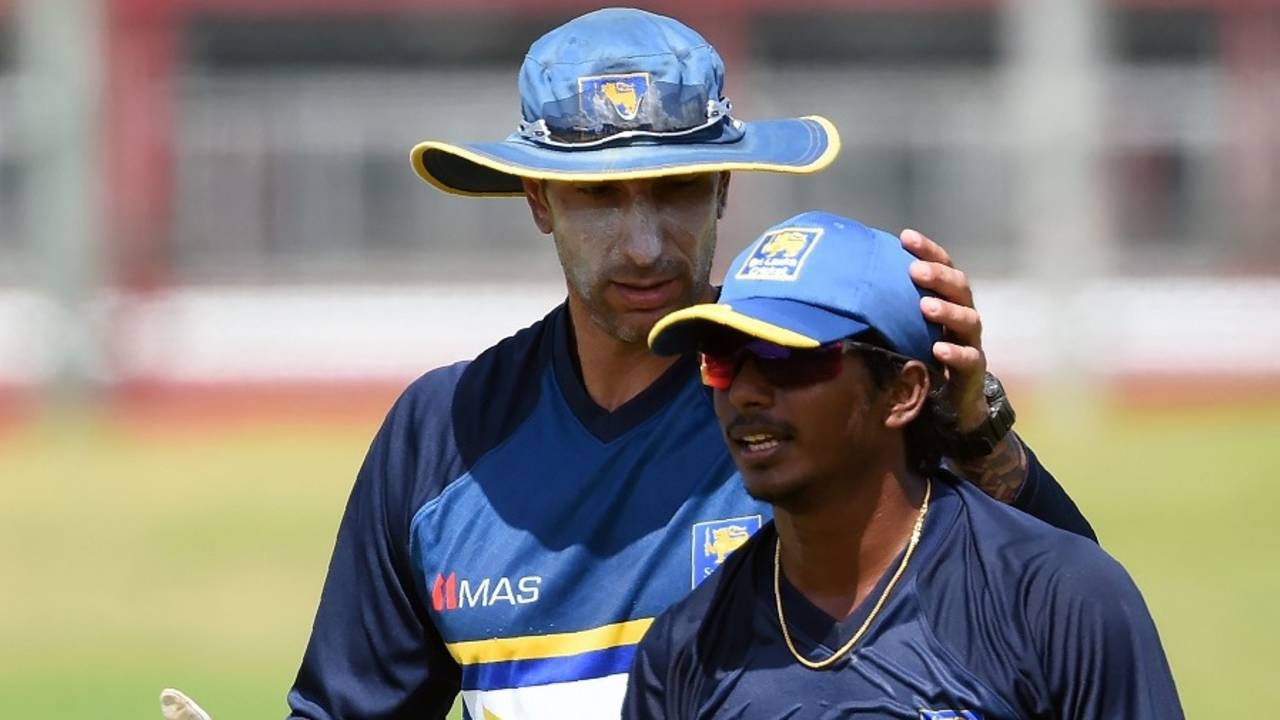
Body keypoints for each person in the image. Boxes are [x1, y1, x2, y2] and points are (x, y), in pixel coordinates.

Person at [282, 8, 1095, 720]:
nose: (642, 246)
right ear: (538, 201)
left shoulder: (820, 397)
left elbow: (1070, 637)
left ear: (723, 188)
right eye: (598, 197)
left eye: (673, 188)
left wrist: (975, 430)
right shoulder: (441, 436)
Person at [624, 210, 1182, 719]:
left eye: (786, 357)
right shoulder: (683, 651)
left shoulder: (1060, 599)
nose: (745, 391)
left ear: (903, 392)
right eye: (723, 360)